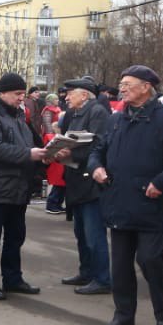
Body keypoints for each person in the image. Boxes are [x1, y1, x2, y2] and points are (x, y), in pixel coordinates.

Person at [88, 65, 163, 325]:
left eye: (127, 83)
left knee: (150, 260)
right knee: (121, 266)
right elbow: (97, 150)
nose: (121, 88)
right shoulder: (116, 119)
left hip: (151, 203)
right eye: (121, 83)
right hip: (118, 201)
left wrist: (161, 182)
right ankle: (123, 315)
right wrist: (96, 168)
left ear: (146, 87)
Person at [0, 73, 46, 300]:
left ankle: (13, 278)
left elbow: (28, 145)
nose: (21, 99)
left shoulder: (17, 116)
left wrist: (44, 155)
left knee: (15, 237)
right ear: (2, 92)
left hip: (17, 188)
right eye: (17, 94)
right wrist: (29, 154)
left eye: (23, 94)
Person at [57, 78, 112, 295]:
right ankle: (86, 272)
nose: (66, 97)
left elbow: (98, 145)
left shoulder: (97, 112)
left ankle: (102, 278)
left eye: (70, 93)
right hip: (76, 180)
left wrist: (71, 153)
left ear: (84, 95)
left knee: (94, 233)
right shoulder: (75, 114)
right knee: (81, 232)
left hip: (90, 182)